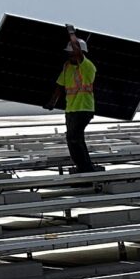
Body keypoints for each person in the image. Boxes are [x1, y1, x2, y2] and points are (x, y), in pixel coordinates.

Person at [53, 29, 99, 173]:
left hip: (84, 108)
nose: (69, 54)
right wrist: (52, 102)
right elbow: (60, 85)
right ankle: (83, 167)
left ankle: (86, 169)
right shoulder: (67, 67)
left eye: (71, 51)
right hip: (71, 110)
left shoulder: (87, 66)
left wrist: (72, 34)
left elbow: (77, 51)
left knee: (74, 138)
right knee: (74, 139)